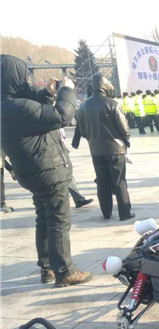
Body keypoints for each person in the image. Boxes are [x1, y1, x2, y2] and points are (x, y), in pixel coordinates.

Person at [0, 54, 93, 287]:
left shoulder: (8, 105)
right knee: (58, 222)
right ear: (13, 78)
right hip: (47, 170)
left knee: (44, 219)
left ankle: (48, 267)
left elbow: (33, 110)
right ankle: (65, 271)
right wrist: (66, 90)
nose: (26, 81)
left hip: (32, 171)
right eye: (23, 77)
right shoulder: (17, 107)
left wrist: (47, 93)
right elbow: (62, 116)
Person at [76, 74, 135, 222]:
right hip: (116, 150)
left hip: (96, 150)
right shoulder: (113, 104)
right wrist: (126, 141)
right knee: (119, 182)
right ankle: (125, 213)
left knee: (102, 182)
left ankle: (106, 213)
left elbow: (82, 130)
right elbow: (124, 129)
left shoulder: (83, 106)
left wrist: (93, 139)